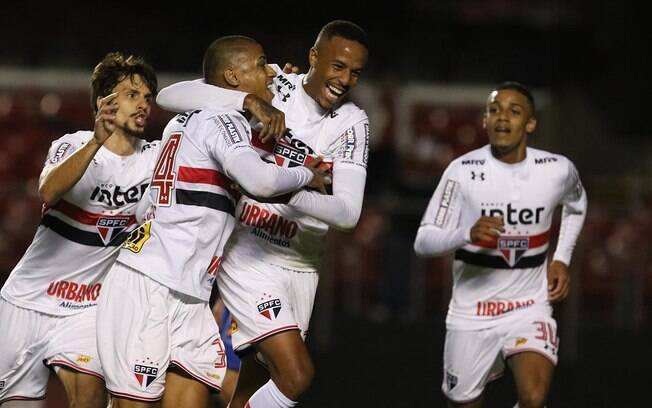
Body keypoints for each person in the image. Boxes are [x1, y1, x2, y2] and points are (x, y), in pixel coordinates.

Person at [95, 35, 328, 408]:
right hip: (150, 286)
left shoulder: (189, 119)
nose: (270, 71)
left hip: (190, 291)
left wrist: (285, 96)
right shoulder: (221, 120)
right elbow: (261, 181)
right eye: (261, 63)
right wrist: (307, 175)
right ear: (234, 78)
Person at [155, 20, 370, 408]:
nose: (344, 79)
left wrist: (283, 192)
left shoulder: (354, 122)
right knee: (296, 375)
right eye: (337, 66)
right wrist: (245, 102)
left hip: (302, 262)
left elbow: (348, 212)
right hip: (249, 253)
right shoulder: (273, 83)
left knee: (256, 384)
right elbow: (170, 95)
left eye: (355, 72)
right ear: (314, 57)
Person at [413, 82, 588, 408]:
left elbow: (577, 204)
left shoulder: (557, 170)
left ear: (531, 124)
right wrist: (466, 233)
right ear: (485, 120)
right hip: (471, 314)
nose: (502, 117)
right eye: (495, 110)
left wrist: (562, 258)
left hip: (528, 307)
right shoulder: (462, 171)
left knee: (534, 397)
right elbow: (423, 240)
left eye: (514, 110)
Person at [0, 52, 159, 408]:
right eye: (132, 95)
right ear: (105, 101)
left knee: (89, 396)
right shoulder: (73, 144)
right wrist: (95, 142)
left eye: (147, 97)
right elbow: (49, 191)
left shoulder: (156, 158)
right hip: (26, 302)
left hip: (87, 309)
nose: (143, 105)